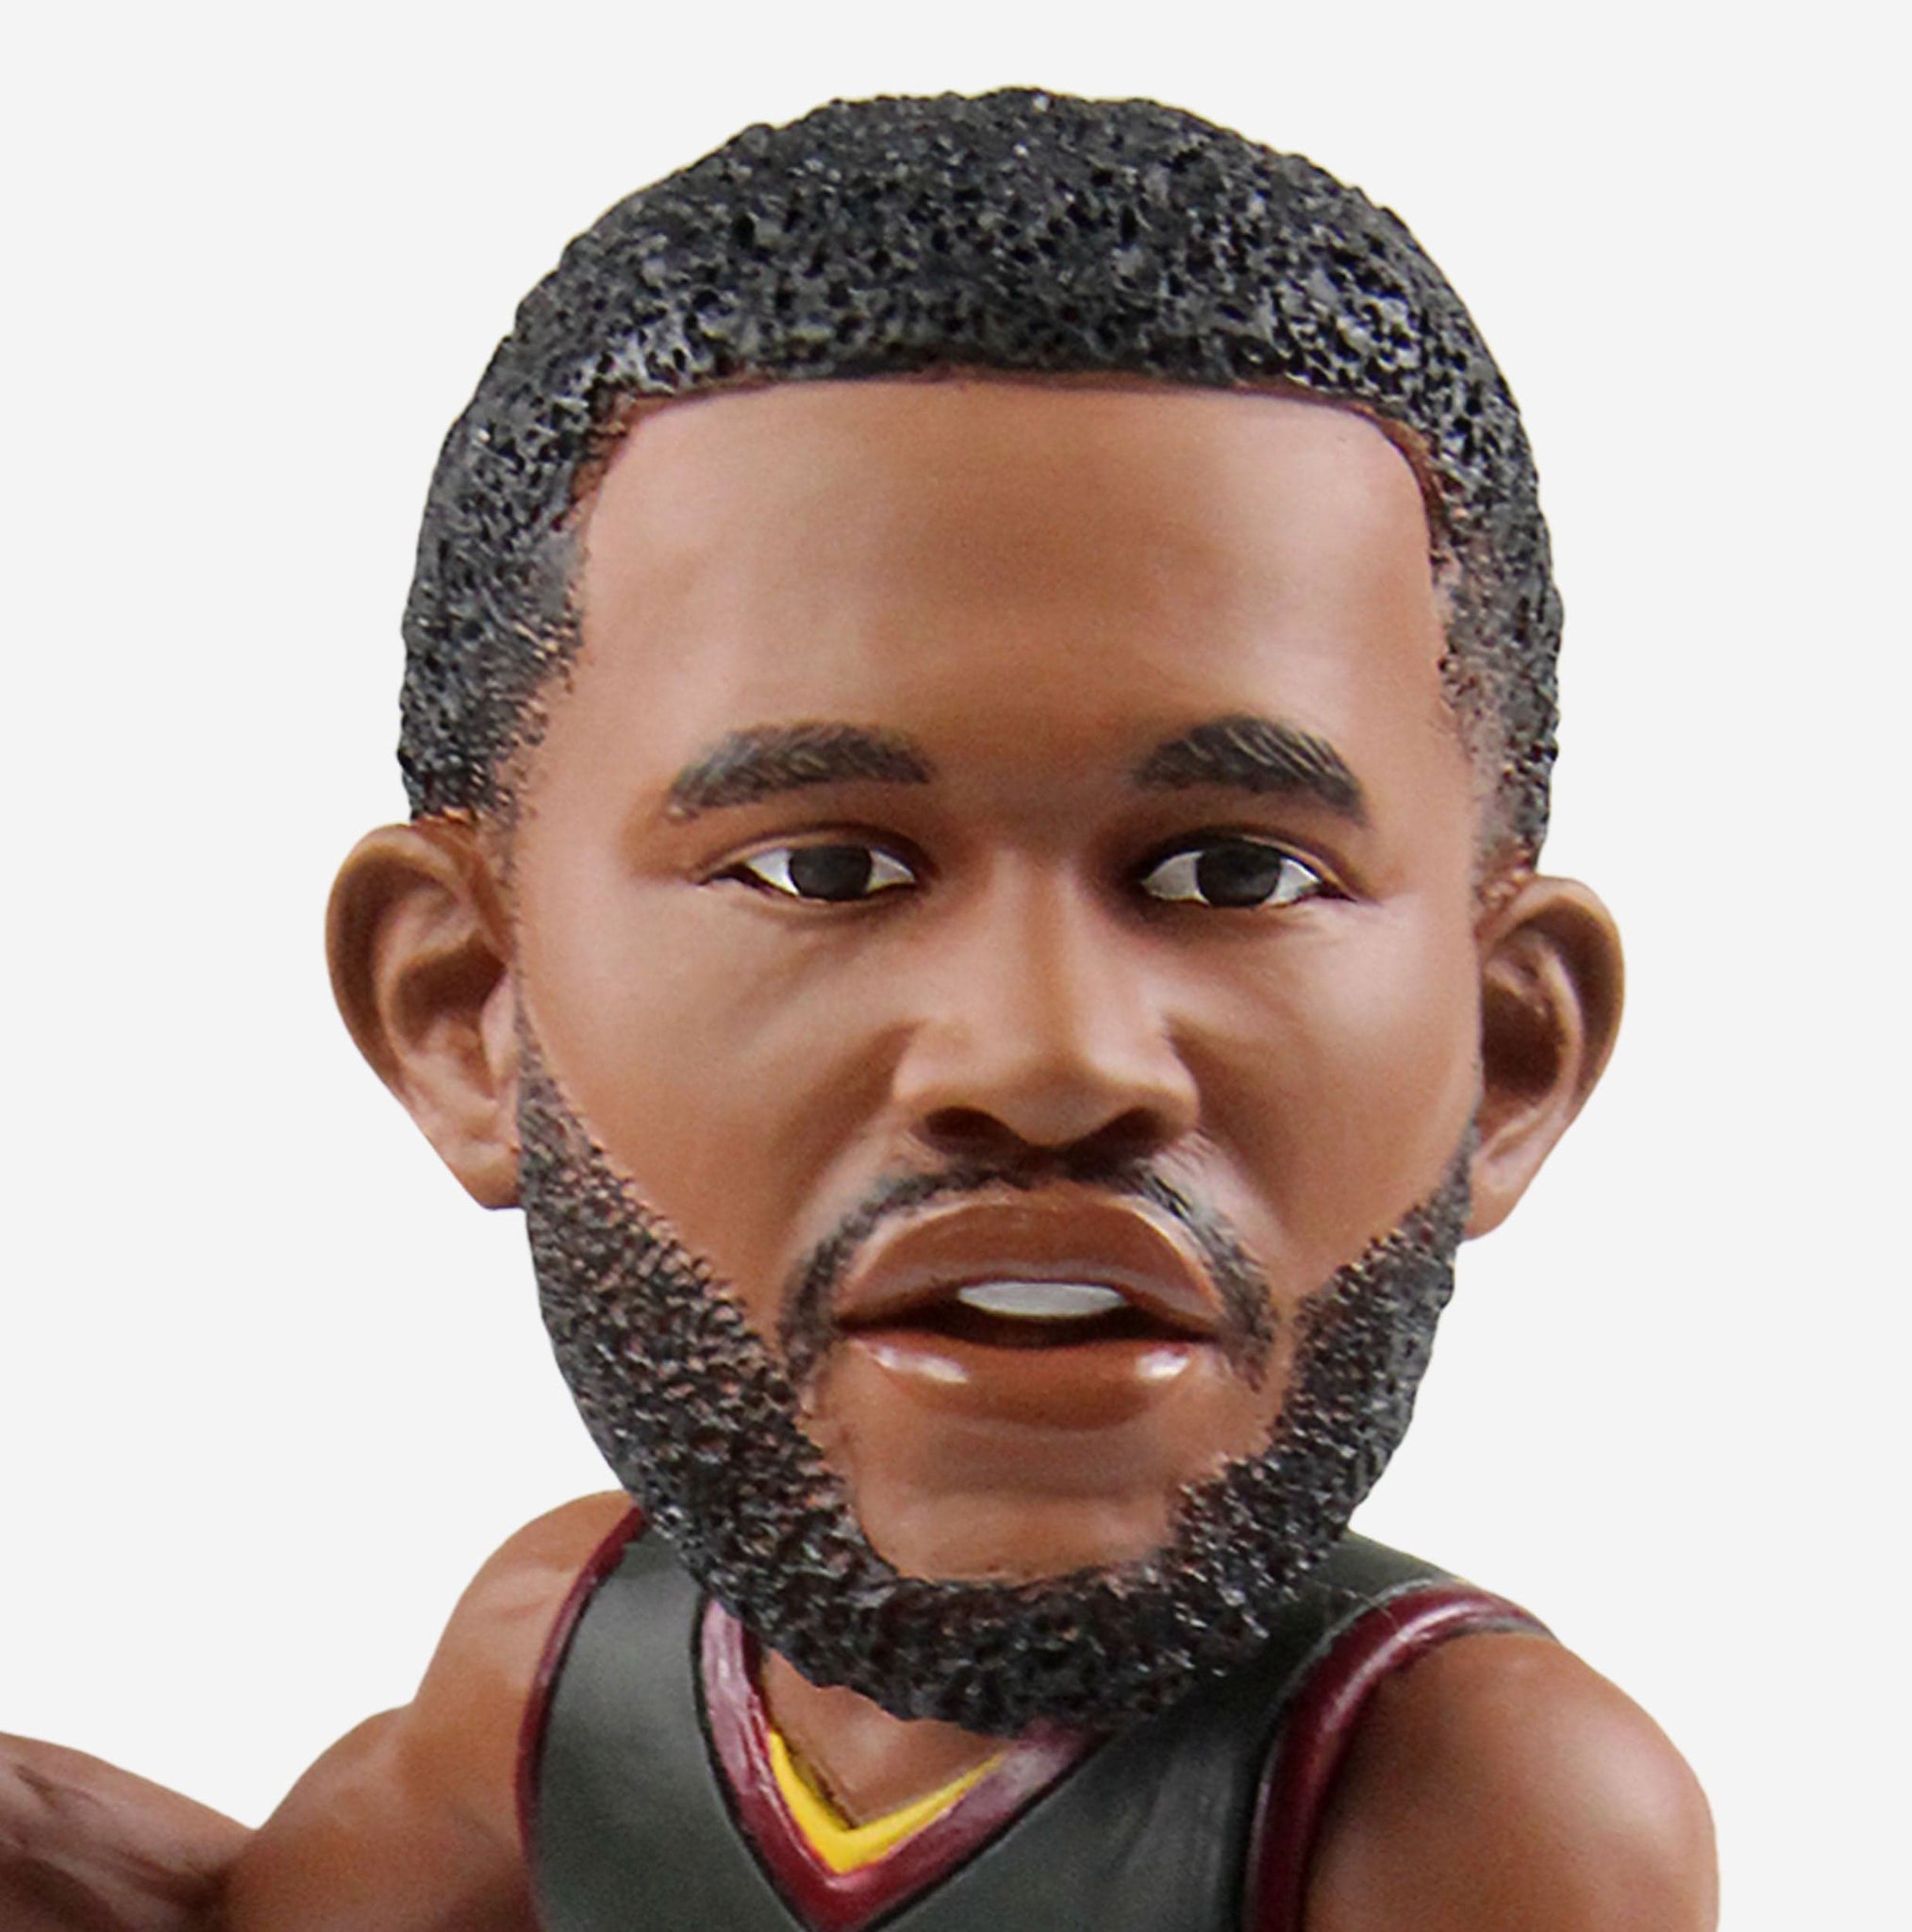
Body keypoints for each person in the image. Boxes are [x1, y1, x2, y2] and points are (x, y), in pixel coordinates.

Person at [2, 90, 1717, 1930]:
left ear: (1507, 1055)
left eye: (1231, 874)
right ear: (468, 1008)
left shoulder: (1463, 1805)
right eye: (826, 871)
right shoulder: (573, 1673)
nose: (1048, 1059)